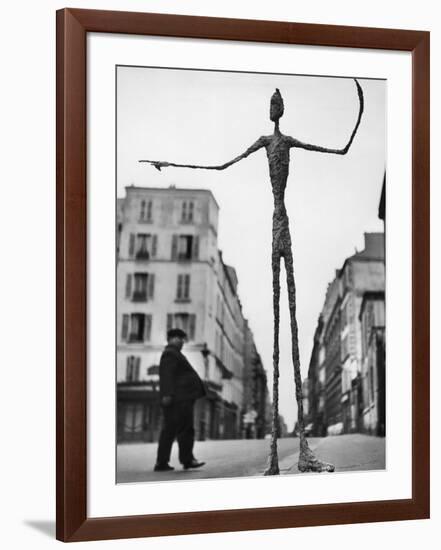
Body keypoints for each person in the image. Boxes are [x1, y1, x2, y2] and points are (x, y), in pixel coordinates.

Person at [154, 328, 207, 472]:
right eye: (179, 338)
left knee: (170, 430)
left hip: (178, 398)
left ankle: (163, 462)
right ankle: (186, 459)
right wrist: (167, 395)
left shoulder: (174, 353)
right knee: (184, 429)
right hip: (179, 399)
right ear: (171, 339)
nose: (182, 341)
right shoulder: (170, 353)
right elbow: (167, 375)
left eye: (183, 339)